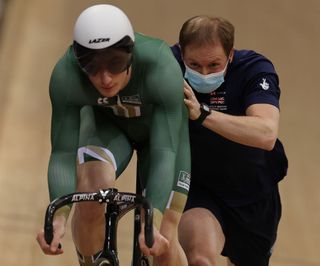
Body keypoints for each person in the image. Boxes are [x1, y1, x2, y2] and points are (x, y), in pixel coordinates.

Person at [36, 4, 190, 266]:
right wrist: (59, 216)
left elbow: (166, 152)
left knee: (163, 235)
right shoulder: (65, 74)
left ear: (131, 53)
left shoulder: (160, 65)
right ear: (78, 59)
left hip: (162, 139)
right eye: (92, 68)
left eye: (116, 64)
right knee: (89, 196)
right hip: (107, 128)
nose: (105, 78)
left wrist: (154, 216)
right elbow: (62, 153)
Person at [171, 16, 288, 266]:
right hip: (198, 188)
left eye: (214, 65)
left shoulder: (255, 70)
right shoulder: (167, 66)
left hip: (252, 193)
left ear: (231, 55)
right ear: (181, 54)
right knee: (201, 259)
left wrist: (202, 114)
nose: (204, 73)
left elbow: (266, 133)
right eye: (194, 64)